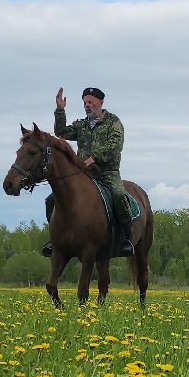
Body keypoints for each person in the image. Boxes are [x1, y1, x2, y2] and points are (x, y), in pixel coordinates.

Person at [43, 86, 134, 257]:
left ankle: (127, 239)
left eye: (91, 102)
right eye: (85, 102)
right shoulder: (81, 125)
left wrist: (94, 158)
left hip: (107, 173)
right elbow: (60, 132)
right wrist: (60, 110)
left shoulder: (113, 122)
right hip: (83, 174)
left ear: (101, 102)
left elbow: (115, 146)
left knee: (119, 196)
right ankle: (55, 240)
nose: (87, 105)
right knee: (50, 200)